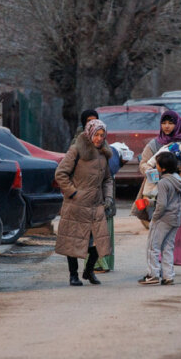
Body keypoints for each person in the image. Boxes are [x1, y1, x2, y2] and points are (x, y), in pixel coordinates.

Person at [130, 109, 181, 266]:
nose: (167, 126)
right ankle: (160, 261)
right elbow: (143, 164)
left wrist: (178, 164)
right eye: (164, 123)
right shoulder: (154, 144)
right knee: (160, 226)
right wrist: (151, 171)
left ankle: (178, 260)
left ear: (177, 124)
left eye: (171, 123)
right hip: (158, 190)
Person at [54, 119, 114, 286]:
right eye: (97, 135)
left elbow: (108, 178)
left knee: (98, 241)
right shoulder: (76, 150)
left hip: (96, 204)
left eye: (103, 135)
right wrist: (73, 192)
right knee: (73, 241)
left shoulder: (103, 153)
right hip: (76, 204)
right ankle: (73, 275)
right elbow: (60, 174)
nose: (99, 138)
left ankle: (88, 271)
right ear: (89, 134)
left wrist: (108, 197)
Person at [73, 108, 121, 273]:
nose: (92, 124)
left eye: (94, 120)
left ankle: (105, 263)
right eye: (88, 121)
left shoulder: (103, 142)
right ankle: (94, 265)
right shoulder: (78, 143)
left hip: (103, 192)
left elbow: (109, 171)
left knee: (105, 228)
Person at [139, 152, 181, 285]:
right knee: (168, 247)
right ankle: (168, 276)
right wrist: (151, 202)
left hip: (163, 218)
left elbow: (163, 204)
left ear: (163, 168)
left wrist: (155, 217)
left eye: (157, 164)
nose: (156, 166)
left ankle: (152, 275)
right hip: (175, 218)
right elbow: (170, 200)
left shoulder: (163, 182)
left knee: (153, 246)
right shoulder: (177, 179)